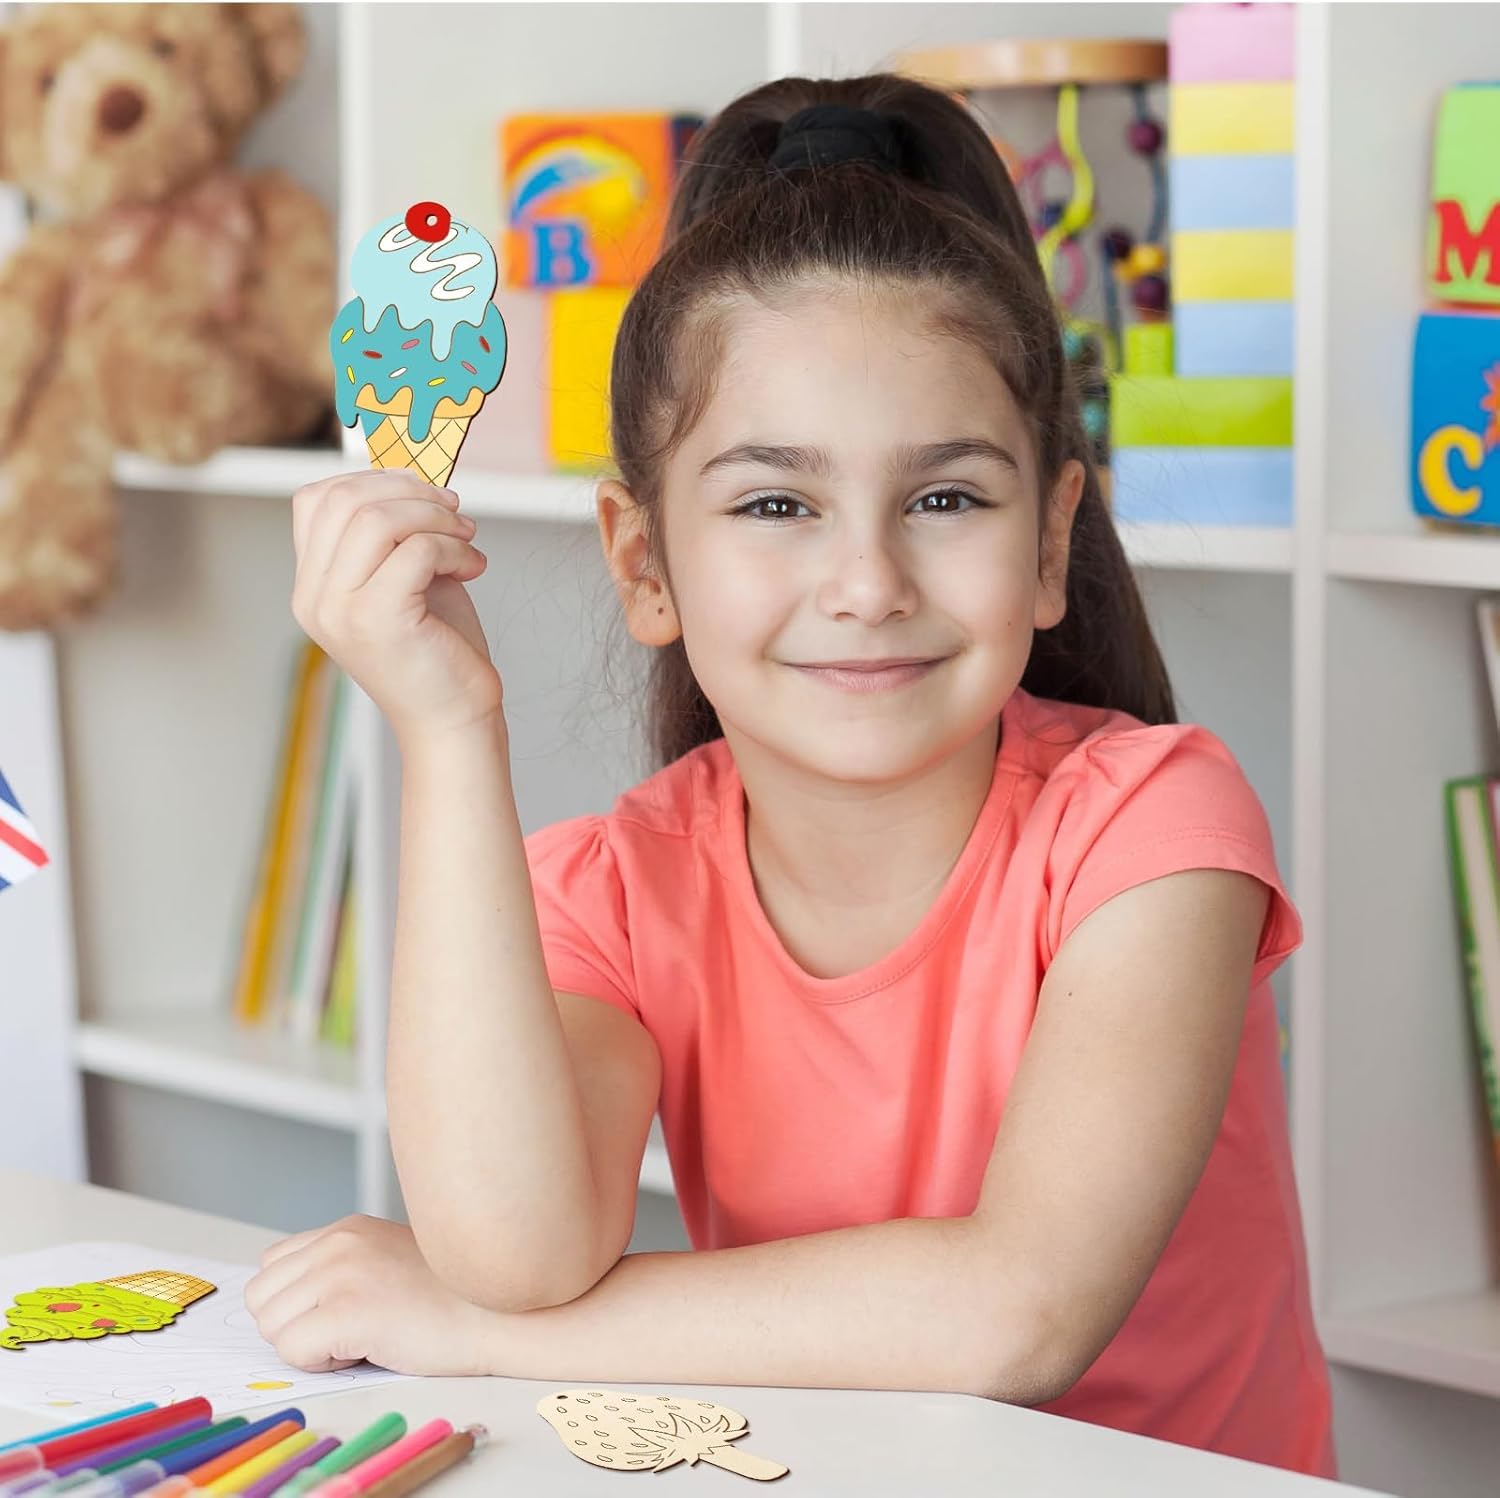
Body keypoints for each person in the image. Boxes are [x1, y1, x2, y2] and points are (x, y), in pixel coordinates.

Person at [245, 73, 1335, 1479]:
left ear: (1054, 539)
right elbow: (514, 1250)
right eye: (776, 504)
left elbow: (1022, 1311)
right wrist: (449, 731)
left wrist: (476, 1329)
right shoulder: (616, 882)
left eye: (946, 498)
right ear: (643, 563)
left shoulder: (1159, 823)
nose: (869, 583)